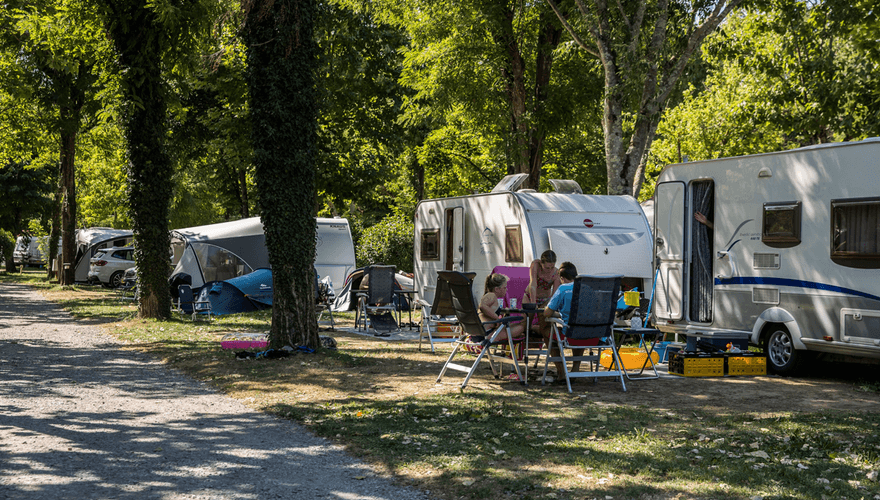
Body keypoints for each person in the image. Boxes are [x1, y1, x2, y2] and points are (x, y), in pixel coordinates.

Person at [542, 261, 584, 379]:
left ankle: (561, 371)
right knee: (581, 328)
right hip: (592, 335)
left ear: (562, 278)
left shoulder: (563, 288)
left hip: (570, 334)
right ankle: (576, 367)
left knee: (546, 331)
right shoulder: (587, 287)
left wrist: (557, 314)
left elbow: (547, 313)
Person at [477, 273, 525, 343]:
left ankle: (504, 337)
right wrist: (496, 318)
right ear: (496, 289)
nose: (506, 289)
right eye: (504, 287)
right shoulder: (491, 295)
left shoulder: (490, 296)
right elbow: (482, 306)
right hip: (488, 333)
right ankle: (495, 338)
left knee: (515, 326)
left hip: (486, 331)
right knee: (520, 328)